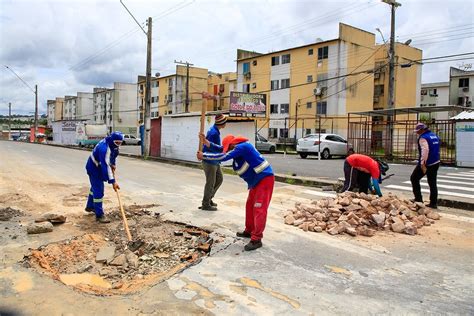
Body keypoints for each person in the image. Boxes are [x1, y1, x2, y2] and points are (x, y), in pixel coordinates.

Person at [197, 134, 274, 251]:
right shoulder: (239, 148)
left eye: (228, 148)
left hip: (264, 179)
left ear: (233, 145)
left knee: (259, 208)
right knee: (249, 206)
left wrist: (204, 155)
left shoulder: (242, 147)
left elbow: (223, 156)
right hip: (256, 182)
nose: (228, 150)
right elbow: (221, 149)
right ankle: (249, 231)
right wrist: (207, 142)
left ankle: (256, 239)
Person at [85, 131, 124, 223]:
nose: (118, 144)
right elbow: (106, 166)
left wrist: (113, 164)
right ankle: (99, 215)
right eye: (117, 143)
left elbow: (113, 155)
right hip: (94, 168)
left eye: (120, 143)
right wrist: (113, 182)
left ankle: (90, 206)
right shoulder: (104, 148)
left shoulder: (112, 144)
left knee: (95, 187)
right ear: (112, 140)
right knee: (99, 191)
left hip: (99, 166)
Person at [200, 114, 227, 211]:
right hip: (209, 161)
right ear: (222, 123)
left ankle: (208, 198)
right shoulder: (213, 133)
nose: (226, 123)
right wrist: (222, 150)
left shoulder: (215, 130)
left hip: (215, 161)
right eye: (225, 121)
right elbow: (208, 146)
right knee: (210, 183)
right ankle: (205, 204)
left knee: (219, 179)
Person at [410, 123, 440, 209]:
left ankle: (418, 199)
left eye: (418, 131)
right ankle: (433, 203)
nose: (417, 133)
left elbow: (425, 150)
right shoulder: (434, 135)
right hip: (436, 162)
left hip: (427, 163)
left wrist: (423, 163)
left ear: (422, 130)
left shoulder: (423, 138)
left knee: (414, 178)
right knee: (432, 182)